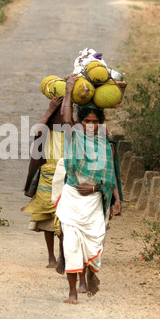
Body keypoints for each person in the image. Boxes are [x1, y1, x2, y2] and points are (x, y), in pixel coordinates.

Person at [56, 73, 121, 304]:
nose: (91, 126)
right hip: (73, 198)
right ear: (80, 123)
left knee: (95, 242)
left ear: (100, 123)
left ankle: (91, 275)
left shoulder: (106, 146)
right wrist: (69, 89)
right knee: (71, 244)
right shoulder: (74, 136)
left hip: (94, 201)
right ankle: (73, 292)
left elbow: (110, 175)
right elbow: (65, 117)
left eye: (95, 122)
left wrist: (115, 198)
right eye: (87, 121)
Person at [23, 96, 65, 268]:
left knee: (64, 219)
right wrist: (49, 112)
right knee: (45, 218)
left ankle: (63, 255)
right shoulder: (46, 129)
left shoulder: (73, 128)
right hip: (46, 178)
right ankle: (51, 256)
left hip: (65, 178)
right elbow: (37, 132)